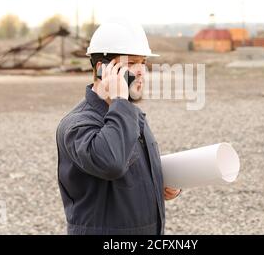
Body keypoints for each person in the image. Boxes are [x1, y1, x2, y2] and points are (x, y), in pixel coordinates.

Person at [56, 18, 181, 235]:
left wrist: (158, 184)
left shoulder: (131, 116)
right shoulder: (77, 125)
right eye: (131, 63)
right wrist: (120, 101)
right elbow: (111, 163)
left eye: (143, 62)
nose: (141, 70)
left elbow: (128, 172)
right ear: (101, 70)